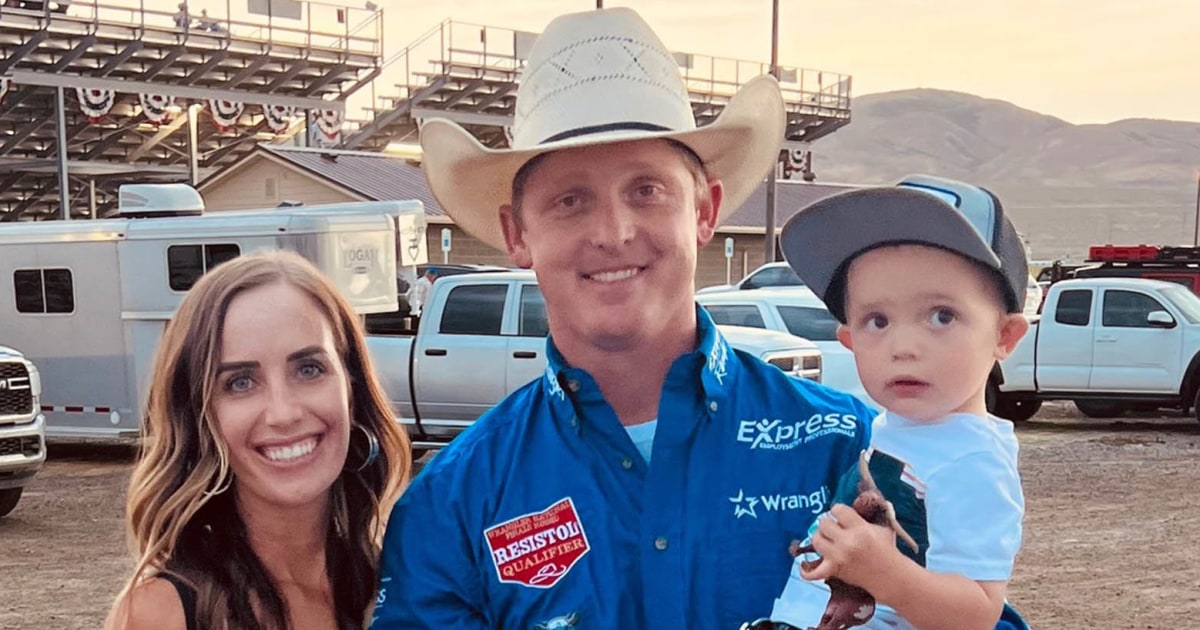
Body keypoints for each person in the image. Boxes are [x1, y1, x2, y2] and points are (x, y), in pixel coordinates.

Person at [369, 7, 875, 629]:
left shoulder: (849, 450)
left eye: (646, 190)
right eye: (570, 200)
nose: (613, 233)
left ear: (704, 211)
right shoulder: (451, 504)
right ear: (517, 234)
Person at [762, 176, 1031, 630]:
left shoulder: (973, 461)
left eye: (942, 316)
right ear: (849, 339)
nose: (903, 346)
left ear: (1004, 336)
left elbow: (977, 614)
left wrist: (884, 573)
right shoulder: (899, 429)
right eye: (878, 320)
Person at [104, 250, 411, 630]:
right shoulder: (162, 612)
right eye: (240, 382)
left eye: (309, 369)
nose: (283, 413)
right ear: (200, 416)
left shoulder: (401, 583)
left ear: (352, 386)